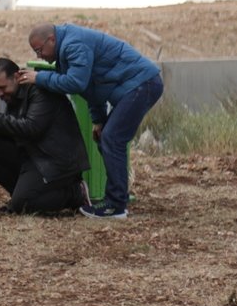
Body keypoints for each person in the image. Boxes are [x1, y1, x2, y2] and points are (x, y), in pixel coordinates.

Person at [20, 22, 164, 220]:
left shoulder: (73, 44)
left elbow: (75, 82)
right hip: (135, 86)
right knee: (107, 137)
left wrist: (40, 78)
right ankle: (115, 200)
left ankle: (115, 206)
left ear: (51, 40)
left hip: (142, 83)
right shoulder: (67, 47)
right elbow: (90, 88)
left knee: (113, 139)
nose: (39, 56)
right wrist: (99, 121)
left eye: (39, 50)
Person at [0, 57, 91, 215]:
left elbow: (31, 128)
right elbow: (4, 132)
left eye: (2, 87)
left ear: (16, 77)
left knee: (24, 205)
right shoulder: (14, 95)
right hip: (33, 155)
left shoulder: (40, 91)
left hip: (57, 161)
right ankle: (20, 195)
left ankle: (75, 193)